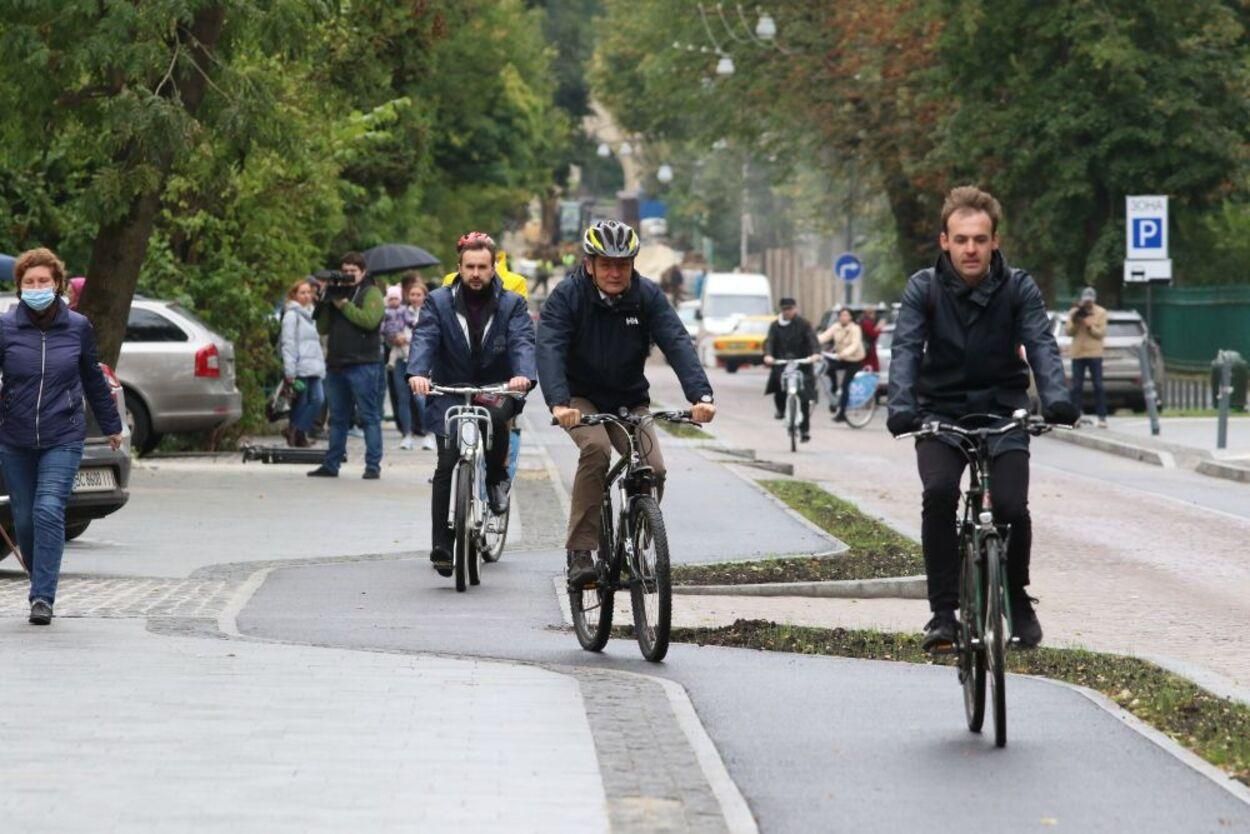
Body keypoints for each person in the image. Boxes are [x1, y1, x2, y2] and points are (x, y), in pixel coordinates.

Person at [886, 185, 1077, 651]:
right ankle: (943, 615)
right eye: (961, 239)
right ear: (944, 242)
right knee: (939, 494)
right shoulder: (923, 289)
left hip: (1002, 410)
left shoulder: (1018, 287)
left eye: (980, 239)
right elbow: (907, 349)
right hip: (940, 411)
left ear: (995, 241)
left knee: (1011, 507)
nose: (971, 248)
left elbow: (1041, 343)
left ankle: (1016, 595)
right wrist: (902, 406)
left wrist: (1056, 398)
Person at [537, 219, 716, 590]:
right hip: (579, 397)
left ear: (633, 264)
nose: (615, 272)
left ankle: (639, 533)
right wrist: (558, 403)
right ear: (589, 265)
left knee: (654, 469)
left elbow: (677, 341)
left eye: (623, 264)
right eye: (606, 264)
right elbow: (550, 347)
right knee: (597, 450)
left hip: (629, 399)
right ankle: (582, 552)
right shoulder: (567, 296)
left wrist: (701, 396)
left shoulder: (647, 296)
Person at [0, 248, 123, 625]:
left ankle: (43, 597)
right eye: (29, 282)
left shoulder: (77, 326)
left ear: (58, 285)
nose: (37, 287)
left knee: (49, 508)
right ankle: (41, 578)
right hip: (15, 437)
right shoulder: (5, 328)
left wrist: (112, 425)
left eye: (44, 281)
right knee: (23, 518)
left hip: (63, 434)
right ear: (20, 287)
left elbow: (92, 379)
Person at [408, 231, 536, 576]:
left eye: (482, 266)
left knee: (495, 419)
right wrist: (418, 372)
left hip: (496, 386)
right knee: (446, 462)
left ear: (494, 268)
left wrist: (522, 375)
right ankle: (440, 544)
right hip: (449, 387)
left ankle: (495, 480)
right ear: (459, 268)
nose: (476, 273)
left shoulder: (511, 304)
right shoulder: (438, 301)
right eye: (470, 267)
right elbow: (425, 337)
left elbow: (522, 341)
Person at [307, 251, 385, 479]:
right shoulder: (337, 293)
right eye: (346, 271)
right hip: (337, 363)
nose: (349, 276)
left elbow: (370, 321)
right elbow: (322, 328)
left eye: (353, 272)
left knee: (369, 416)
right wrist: (325, 301)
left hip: (364, 364)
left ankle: (373, 466)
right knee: (338, 418)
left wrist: (343, 306)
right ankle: (332, 464)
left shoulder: (371, 292)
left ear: (363, 272)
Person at [762, 298, 821, 442]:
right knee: (778, 385)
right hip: (782, 362)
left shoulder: (804, 324)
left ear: (795, 309)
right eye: (784, 309)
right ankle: (781, 410)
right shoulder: (775, 326)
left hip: (802, 363)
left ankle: (804, 430)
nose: (787, 312)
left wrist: (815, 354)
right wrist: (768, 355)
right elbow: (769, 341)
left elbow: (813, 340)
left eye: (790, 309)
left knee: (804, 397)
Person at [280, 278, 326, 448]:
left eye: (308, 292)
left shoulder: (312, 314)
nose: (306, 296)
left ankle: (296, 430)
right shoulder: (292, 315)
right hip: (300, 366)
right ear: (295, 295)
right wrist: (290, 370)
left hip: (314, 365)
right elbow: (288, 343)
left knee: (318, 400)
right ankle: (298, 435)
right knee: (303, 401)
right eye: (302, 293)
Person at [381, 284, 419, 448]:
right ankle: (407, 433)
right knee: (403, 398)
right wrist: (391, 337)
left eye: (418, 294)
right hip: (398, 356)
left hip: (417, 359)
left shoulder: (426, 312)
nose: (415, 297)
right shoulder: (390, 312)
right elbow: (382, 330)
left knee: (420, 398)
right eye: (412, 294)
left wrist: (407, 339)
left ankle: (428, 432)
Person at [1066, 286, 1109, 428]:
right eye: (1085, 301)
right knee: (1076, 386)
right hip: (1078, 353)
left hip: (1094, 353)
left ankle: (1102, 417)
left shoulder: (1101, 312)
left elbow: (1101, 333)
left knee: (1098, 385)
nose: (1087, 304)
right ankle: (1075, 416)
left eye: (1090, 302)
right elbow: (1068, 332)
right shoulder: (1074, 312)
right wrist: (1077, 322)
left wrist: (1090, 326)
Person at [820, 307, 866, 422]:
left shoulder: (855, 329)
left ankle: (842, 413)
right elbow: (824, 337)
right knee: (826, 368)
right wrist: (811, 341)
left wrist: (844, 353)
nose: (843, 318)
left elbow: (855, 345)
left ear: (850, 317)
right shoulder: (836, 327)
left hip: (855, 360)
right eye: (841, 315)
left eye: (846, 315)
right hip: (841, 358)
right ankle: (834, 389)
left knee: (846, 385)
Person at [859, 306, 882, 373]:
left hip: (868, 348)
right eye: (873, 314)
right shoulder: (867, 323)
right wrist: (879, 328)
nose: (874, 316)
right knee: (870, 368)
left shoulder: (865, 322)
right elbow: (873, 334)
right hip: (868, 349)